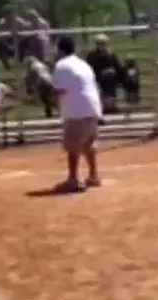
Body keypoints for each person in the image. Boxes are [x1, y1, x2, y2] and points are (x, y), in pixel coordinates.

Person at [51, 37, 103, 192]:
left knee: (73, 146)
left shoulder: (62, 65)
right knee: (89, 144)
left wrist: (49, 99)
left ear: (60, 50)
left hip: (77, 110)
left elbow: (59, 90)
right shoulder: (83, 64)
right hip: (93, 107)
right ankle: (93, 176)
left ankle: (73, 179)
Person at [84, 34, 126, 113]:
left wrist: (120, 79)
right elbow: (89, 68)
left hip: (110, 81)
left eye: (103, 43)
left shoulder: (111, 55)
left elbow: (118, 67)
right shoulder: (92, 55)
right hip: (98, 81)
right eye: (99, 43)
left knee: (110, 94)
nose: (102, 45)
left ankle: (111, 106)